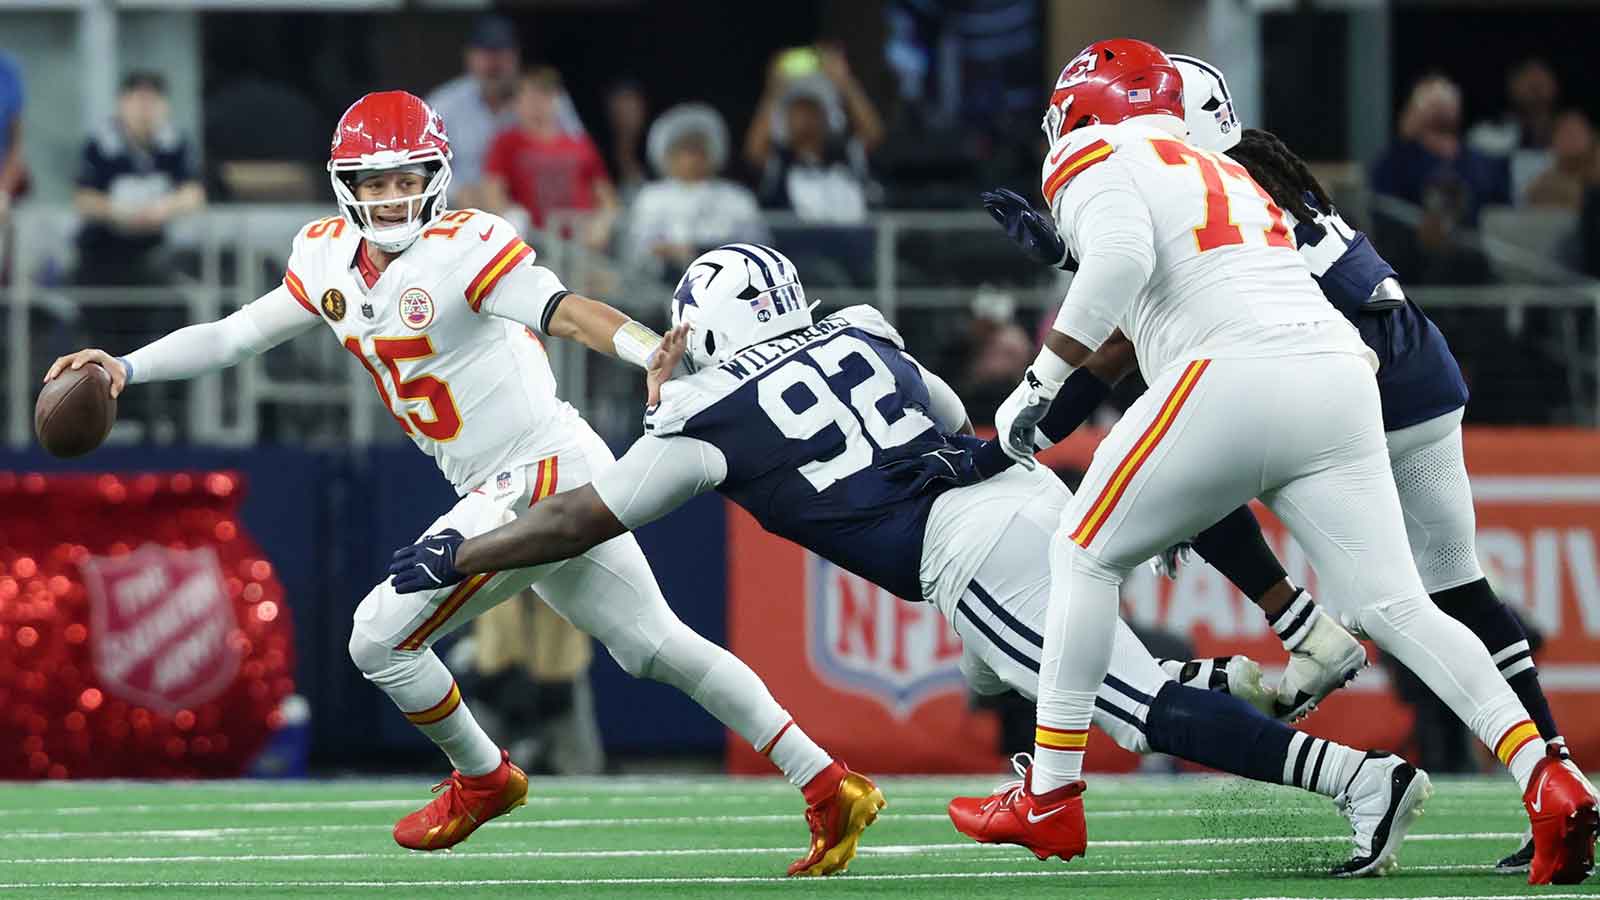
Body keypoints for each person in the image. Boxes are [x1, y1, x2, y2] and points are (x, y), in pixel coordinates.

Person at [391, 244, 1436, 877]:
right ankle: (1240, 678)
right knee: (1000, 675)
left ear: (697, 328)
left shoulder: (704, 414)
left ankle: (1355, 779)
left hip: (969, 550)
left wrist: (460, 554)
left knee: (1119, 706)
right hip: (1013, 494)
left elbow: (582, 520)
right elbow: (945, 413)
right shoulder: (859, 325)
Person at [42, 92, 875, 875]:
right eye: (377, 180)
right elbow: (233, 336)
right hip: (532, 471)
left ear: (435, 179)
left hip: (538, 467)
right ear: (347, 185)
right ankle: (829, 783)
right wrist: (123, 366)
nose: (395, 196)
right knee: (654, 646)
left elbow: (567, 307)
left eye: (410, 178)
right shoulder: (326, 256)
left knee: (378, 636)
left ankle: (484, 776)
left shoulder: (467, 246)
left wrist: (645, 349)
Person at [950, 39, 1593, 885]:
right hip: (1340, 371)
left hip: (1237, 374)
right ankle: (1549, 777)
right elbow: (1177, 271)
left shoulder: (1092, 148)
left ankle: (1052, 794)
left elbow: (1123, 264)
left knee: (1081, 550)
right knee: (1402, 603)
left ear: (1083, 105)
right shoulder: (1234, 170)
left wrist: (1039, 381)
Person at [427, 15, 584, 210]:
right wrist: (456, 191)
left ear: (516, 56)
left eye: (501, 53)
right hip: (464, 210)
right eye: (485, 53)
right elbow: (425, 169)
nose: (494, 64)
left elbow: (581, 157)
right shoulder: (443, 104)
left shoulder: (547, 98)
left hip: (535, 208)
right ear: (468, 56)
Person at [73, 72, 205, 286]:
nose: (145, 110)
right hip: (103, 249)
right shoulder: (100, 144)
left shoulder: (176, 143)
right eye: (138, 101)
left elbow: (194, 194)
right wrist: (120, 212)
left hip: (159, 248)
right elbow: (84, 198)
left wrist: (163, 209)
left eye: (152, 102)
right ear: (122, 103)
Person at [624, 103, 767, 279]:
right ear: (665, 154)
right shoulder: (650, 197)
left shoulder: (737, 197)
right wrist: (673, 253)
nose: (691, 158)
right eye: (683, 149)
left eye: (698, 149)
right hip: (663, 284)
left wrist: (701, 251)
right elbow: (639, 249)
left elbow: (756, 247)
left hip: (729, 281)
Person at [745, 45, 884, 223]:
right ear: (784, 119)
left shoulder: (847, 155)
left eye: (812, 109)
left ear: (828, 117)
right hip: (796, 249)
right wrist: (774, 91)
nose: (805, 117)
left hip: (853, 247)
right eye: (797, 110)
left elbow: (874, 133)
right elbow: (753, 149)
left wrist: (846, 83)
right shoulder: (779, 163)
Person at [482, 68, 618, 248]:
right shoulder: (505, 143)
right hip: (533, 245)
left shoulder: (580, 144)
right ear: (517, 102)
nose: (537, 105)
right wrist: (513, 221)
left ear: (556, 101)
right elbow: (492, 193)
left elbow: (607, 198)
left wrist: (603, 223)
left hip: (582, 246)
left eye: (544, 97)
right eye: (530, 97)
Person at [1523, 110, 1596, 210]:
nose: (1571, 139)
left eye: (1576, 132)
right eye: (1565, 133)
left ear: (1591, 136)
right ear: (1553, 142)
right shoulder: (1544, 186)